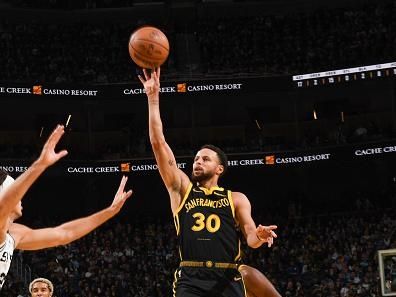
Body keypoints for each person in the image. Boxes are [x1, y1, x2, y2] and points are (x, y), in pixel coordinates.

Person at [139, 68, 278, 297]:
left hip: (227, 277)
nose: (197, 162)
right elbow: (158, 143)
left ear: (219, 168)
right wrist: (153, 99)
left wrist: (260, 236)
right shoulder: (181, 189)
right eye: (195, 159)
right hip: (191, 278)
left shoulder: (235, 198)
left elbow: (251, 239)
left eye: (205, 159)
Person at [0, 125, 133, 290]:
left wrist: (109, 212)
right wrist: (39, 165)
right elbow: (4, 205)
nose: (21, 199)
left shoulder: (14, 233)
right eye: (17, 195)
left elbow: (65, 234)